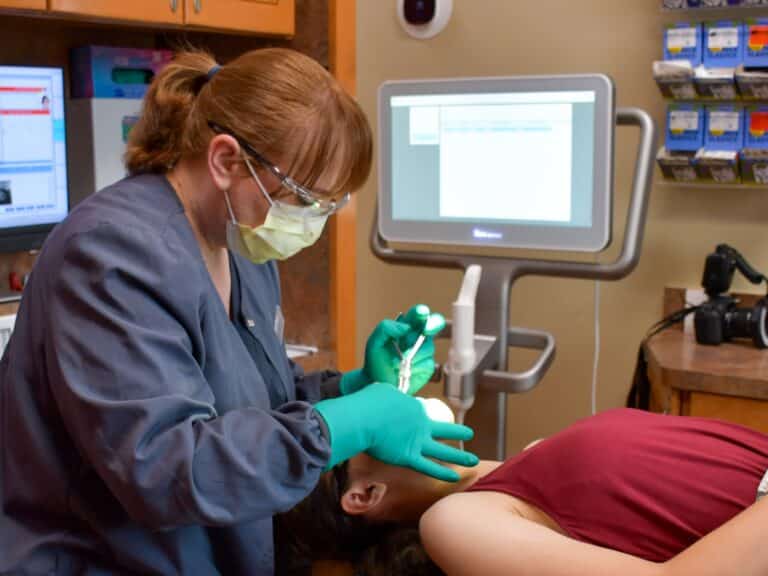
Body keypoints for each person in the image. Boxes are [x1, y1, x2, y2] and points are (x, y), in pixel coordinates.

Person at [0, 48, 478, 576]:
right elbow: (165, 470)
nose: (312, 222)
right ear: (227, 161)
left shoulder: (240, 246)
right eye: (305, 200)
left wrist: (350, 389)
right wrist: (347, 426)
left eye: (329, 205)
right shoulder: (111, 256)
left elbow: (251, 401)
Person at [277, 406, 768, 576]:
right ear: (364, 494)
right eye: (360, 424)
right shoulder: (458, 524)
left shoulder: (533, 456)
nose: (387, 405)